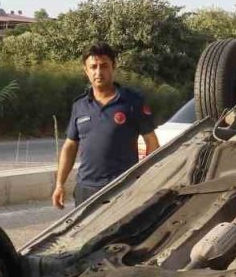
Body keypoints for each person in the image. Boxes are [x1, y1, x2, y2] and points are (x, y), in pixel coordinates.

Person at [52, 42, 159, 208]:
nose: (98, 72)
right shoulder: (80, 105)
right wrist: (60, 184)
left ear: (113, 67)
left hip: (123, 187)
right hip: (86, 189)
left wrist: (144, 179)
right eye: (93, 67)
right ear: (86, 70)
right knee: (85, 234)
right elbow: (70, 146)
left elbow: (152, 143)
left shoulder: (132, 102)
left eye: (104, 66)